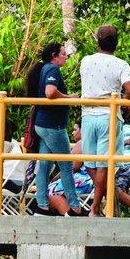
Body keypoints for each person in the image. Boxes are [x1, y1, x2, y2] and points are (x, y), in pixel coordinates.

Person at [79, 24, 130, 216]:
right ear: (117, 43)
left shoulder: (85, 61)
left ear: (97, 41)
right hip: (109, 116)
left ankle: (100, 202)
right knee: (104, 163)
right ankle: (96, 207)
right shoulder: (121, 64)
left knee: (89, 162)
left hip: (88, 116)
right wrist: (124, 100)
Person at [26, 42, 84, 217]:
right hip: (52, 126)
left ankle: (42, 206)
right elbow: (50, 92)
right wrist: (70, 98)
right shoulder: (52, 70)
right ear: (54, 55)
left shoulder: (45, 69)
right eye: (64, 54)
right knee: (66, 165)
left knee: (45, 165)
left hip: (44, 124)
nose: (66, 57)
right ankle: (75, 207)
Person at [48, 123, 94, 215]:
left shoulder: (82, 143)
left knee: (50, 190)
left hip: (85, 180)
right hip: (94, 181)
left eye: (75, 129)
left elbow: (71, 168)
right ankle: (72, 213)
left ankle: (71, 217)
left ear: (83, 130)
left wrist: (54, 179)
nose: (73, 133)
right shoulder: (95, 141)